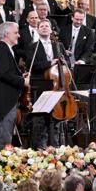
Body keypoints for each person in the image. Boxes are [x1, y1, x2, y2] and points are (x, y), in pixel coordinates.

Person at [27, 19, 68, 149]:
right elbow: (32, 66)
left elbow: (65, 63)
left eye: (47, 26)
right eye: (42, 26)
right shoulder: (33, 46)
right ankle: (40, 146)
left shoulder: (59, 45)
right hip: (41, 85)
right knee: (40, 118)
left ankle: (56, 145)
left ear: (51, 30)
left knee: (55, 119)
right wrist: (50, 63)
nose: (44, 28)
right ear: (38, 30)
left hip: (57, 86)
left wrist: (63, 62)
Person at [0, 21, 29, 149]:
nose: (19, 36)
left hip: (8, 100)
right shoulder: (0, 49)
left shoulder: (7, 49)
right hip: (4, 101)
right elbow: (3, 73)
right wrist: (22, 81)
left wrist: (20, 77)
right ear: (6, 34)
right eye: (16, 33)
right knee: (4, 139)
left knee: (7, 136)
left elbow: (6, 72)